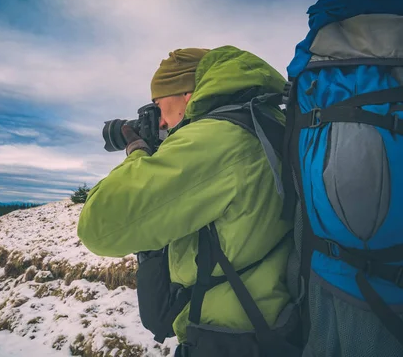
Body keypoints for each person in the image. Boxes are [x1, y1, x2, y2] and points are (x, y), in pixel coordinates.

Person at [78, 46, 298, 356]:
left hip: (230, 338)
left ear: (186, 95)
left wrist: (137, 151)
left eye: (158, 105)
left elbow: (99, 226)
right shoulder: (264, 122)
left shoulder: (217, 138)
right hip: (274, 320)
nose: (162, 123)